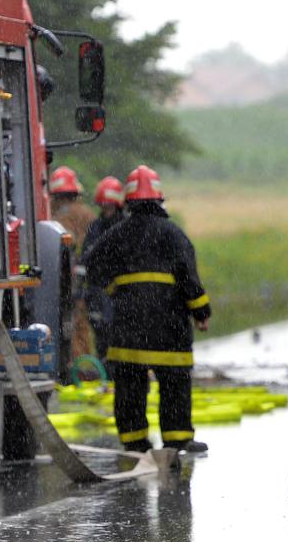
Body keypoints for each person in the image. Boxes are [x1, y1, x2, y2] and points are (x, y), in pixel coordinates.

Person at [82, 165, 211, 453]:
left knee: (129, 385)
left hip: (128, 326)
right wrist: (201, 313)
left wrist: (113, 288)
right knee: (174, 382)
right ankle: (177, 438)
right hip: (170, 326)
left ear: (128, 202)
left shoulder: (116, 234)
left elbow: (92, 267)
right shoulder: (174, 234)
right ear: (158, 199)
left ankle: (134, 441)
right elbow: (189, 277)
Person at [49, 165, 97, 358]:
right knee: (80, 323)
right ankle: (83, 363)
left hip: (59, 279)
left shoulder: (52, 217)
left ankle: (72, 362)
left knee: (66, 322)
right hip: (84, 278)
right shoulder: (87, 214)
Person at [82, 176, 126, 362]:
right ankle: (105, 367)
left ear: (117, 206)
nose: (106, 211)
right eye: (103, 206)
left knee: (121, 333)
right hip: (98, 290)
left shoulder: (126, 226)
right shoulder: (95, 227)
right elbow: (87, 256)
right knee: (101, 333)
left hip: (121, 292)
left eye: (109, 207)